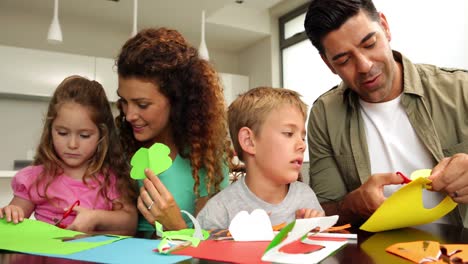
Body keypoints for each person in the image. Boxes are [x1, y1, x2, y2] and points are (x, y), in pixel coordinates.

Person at [304, 0, 468, 226]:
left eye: (369, 44)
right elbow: (324, 212)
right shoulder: (324, 115)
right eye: (344, 60)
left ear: (385, 26)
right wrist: (353, 205)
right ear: (329, 64)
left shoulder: (461, 89)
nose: (364, 65)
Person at [115, 27, 234, 232]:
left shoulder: (206, 158)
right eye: (124, 101)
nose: (129, 115)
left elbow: (209, 250)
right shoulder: (120, 148)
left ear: (177, 101)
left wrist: (175, 226)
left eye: (142, 104)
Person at [0, 76, 138, 235]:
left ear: (102, 135)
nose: (72, 144)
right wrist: (11, 212)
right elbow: (14, 220)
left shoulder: (112, 178)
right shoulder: (35, 178)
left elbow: (130, 224)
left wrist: (95, 218)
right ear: (50, 130)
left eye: (84, 135)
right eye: (63, 133)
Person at [197, 87, 324, 230]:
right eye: (289, 133)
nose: (302, 145)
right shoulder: (219, 212)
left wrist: (314, 231)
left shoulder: (305, 198)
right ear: (249, 141)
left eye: (302, 137)